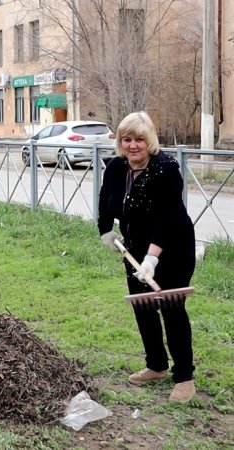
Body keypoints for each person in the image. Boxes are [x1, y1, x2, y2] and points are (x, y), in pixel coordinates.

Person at [98, 111, 196, 403]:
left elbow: (168, 219)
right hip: (135, 248)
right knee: (143, 306)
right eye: (127, 139)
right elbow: (105, 198)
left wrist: (152, 259)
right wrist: (106, 230)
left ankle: (184, 378)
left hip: (173, 248)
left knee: (171, 308)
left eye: (139, 139)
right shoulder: (116, 167)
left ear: (149, 140)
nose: (133, 145)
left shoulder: (166, 169)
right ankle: (156, 365)